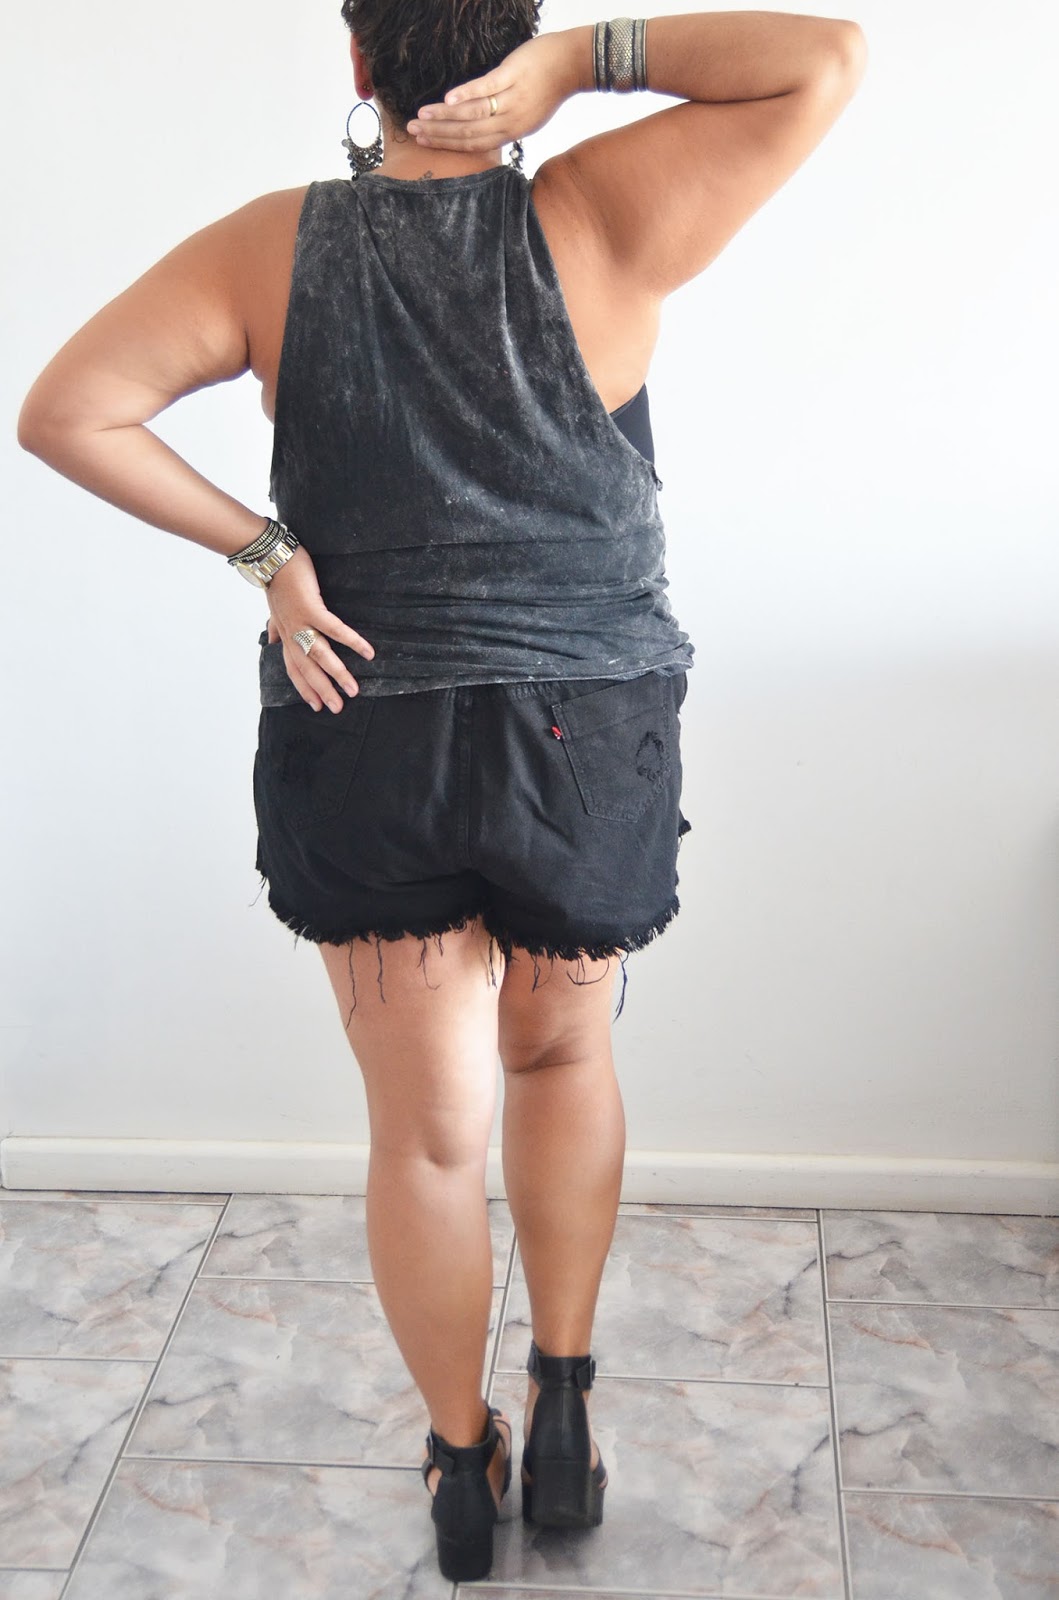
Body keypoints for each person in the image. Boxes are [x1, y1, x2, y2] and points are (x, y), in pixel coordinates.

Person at [17, 5, 867, 1583]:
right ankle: (564, 1403)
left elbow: (67, 411)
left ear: (359, 63)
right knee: (564, 1054)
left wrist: (269, 559)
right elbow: (822, 57)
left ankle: (462, 1468)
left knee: (423, 1140)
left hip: (370, 728)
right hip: (583, 735)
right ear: (512, 42)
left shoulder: (272, 246)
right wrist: (582, 67)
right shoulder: (603, 212)